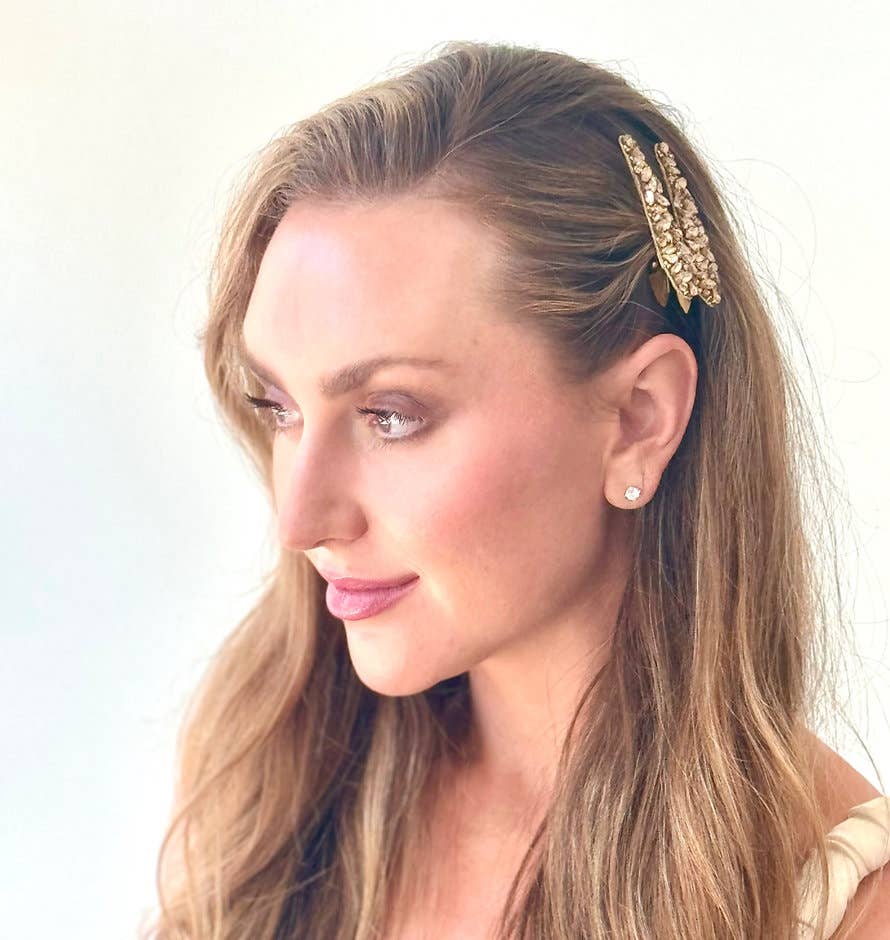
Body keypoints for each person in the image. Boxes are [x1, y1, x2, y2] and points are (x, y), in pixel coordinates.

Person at [143, 41, 890, 939]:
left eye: (389, 415)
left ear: (638, 419)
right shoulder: (264, 786)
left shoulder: (839, 907)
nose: (300, 519)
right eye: (279, 406)